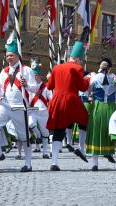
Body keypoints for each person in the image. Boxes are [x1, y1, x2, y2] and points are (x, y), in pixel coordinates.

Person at [0, 32, 38, 172]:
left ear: (18, 56)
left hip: (20, 106)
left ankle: (28, 163)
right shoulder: (3, 71)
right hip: (5, 105)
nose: (9, 57)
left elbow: (35, 88)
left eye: (11, 55)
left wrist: (26, 85)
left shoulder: (26, 70)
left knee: (23, 136)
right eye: (7, 55)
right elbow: (2, 91)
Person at [46, 41, 90, 171]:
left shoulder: (56, 67)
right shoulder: (77, 68)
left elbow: (49, 86)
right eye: (80, 60)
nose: (80, 63)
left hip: (57, 100)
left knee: (59, 130)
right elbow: (83, 87)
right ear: (76, 59)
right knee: (84, 120)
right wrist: (88, 79)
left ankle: (54, 162)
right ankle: (80, 148)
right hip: (71, 100)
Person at [86, 58, 116, 171]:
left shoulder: (94, 78)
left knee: (95, 132)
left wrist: (91, 96)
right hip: (110, 107)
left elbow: (88, 90)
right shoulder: (115, 78)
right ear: (109, 68)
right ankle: (108, 152)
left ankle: (95, 163)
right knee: (108, 131)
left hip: (97, 106)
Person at [28, 59, 52, 159]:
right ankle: (37, 136)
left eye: (35, 76)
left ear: (39, 76)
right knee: (31, 124)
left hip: (43, 111)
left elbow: (51, 98)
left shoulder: (46, 87)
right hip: (32, 110)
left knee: (45, 133)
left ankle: (45, 152)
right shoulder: (29, 87)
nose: (33, 78)